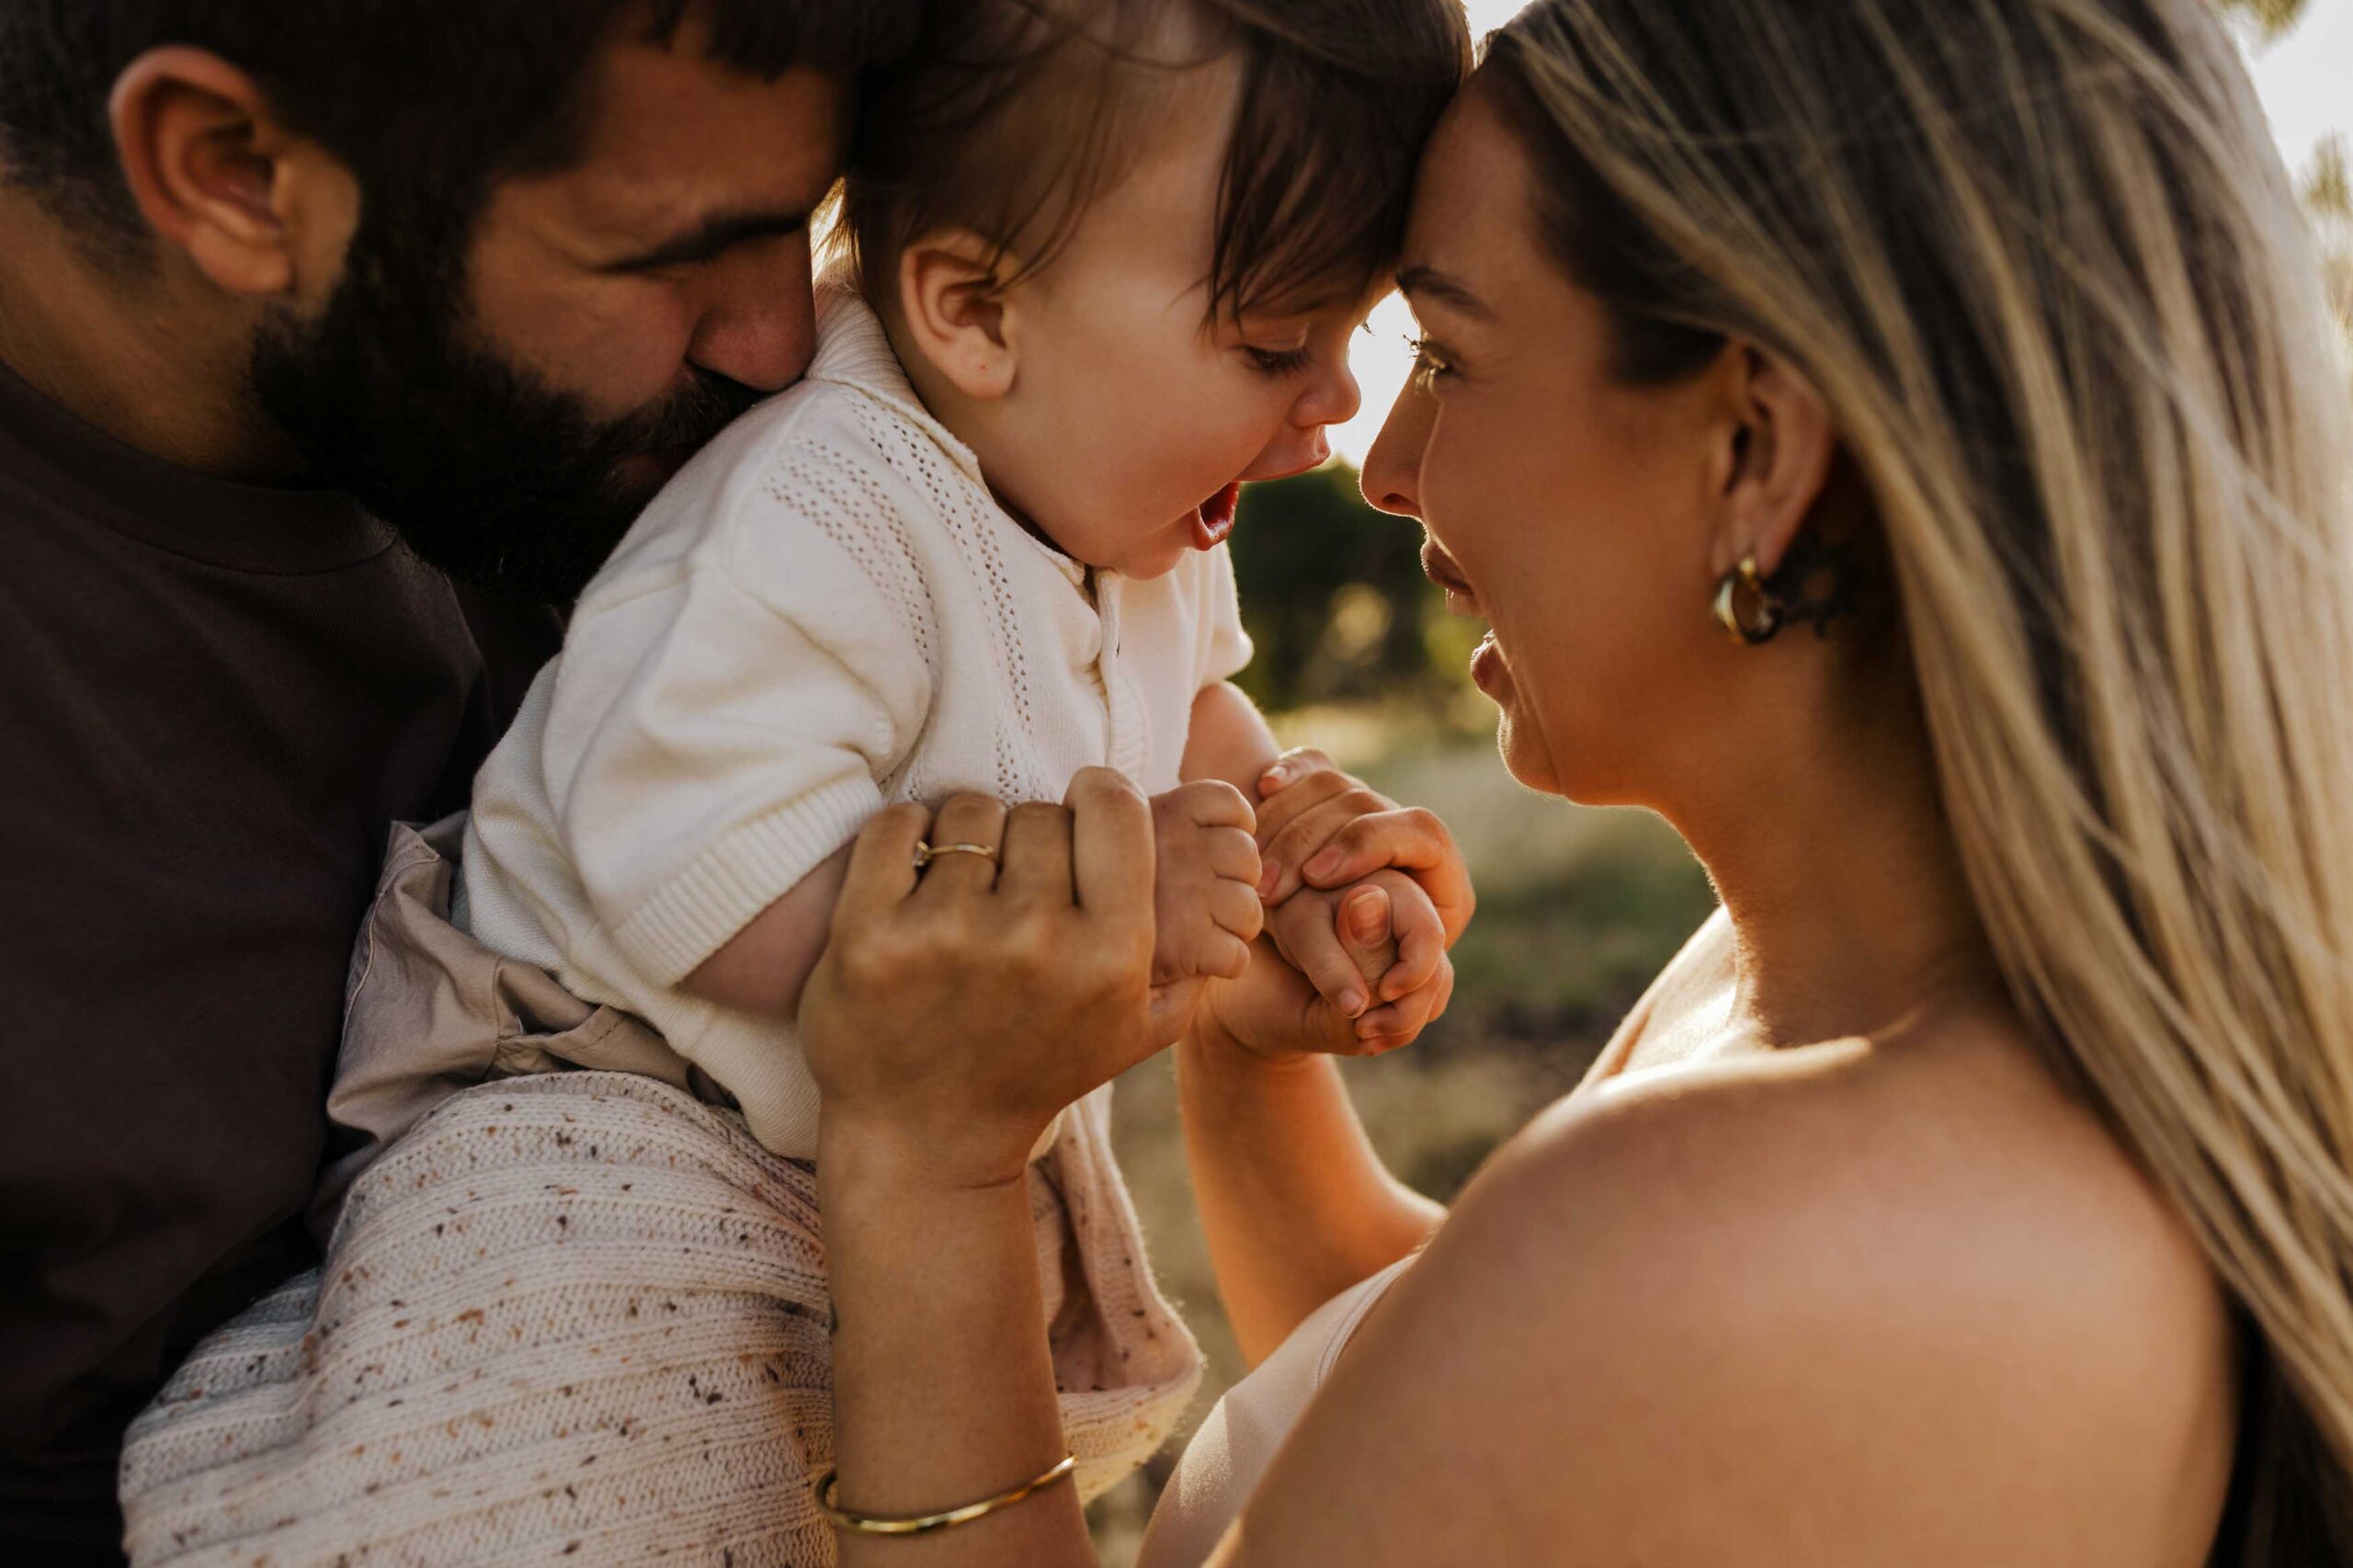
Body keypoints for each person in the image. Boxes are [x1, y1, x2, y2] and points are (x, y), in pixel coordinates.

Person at [794, 0, 2353, 1562]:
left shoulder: (1735, 1236)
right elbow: (1463, 1412)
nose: (1383, 462)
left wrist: (932, 1172)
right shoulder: (1808, 1040)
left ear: (1753, 449)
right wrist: (1254, 1065)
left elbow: (1564, 1355)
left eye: (1449, 355)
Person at [0, 2, 915, 1557]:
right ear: (231, 172)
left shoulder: (640, 473)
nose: (781, 343)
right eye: (669, 254)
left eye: (815, 219)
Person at [320, 0, 1474, 1175]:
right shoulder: (817, 505)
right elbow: (695, 853)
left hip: (822, 1152)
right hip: (564, 1108)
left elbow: (1185, 719)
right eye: (1278, 343)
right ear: (977, 314)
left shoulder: (1135, 513)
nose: (1338, 402)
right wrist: (1104, 903)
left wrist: (1286, 850)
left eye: (1361, 333)